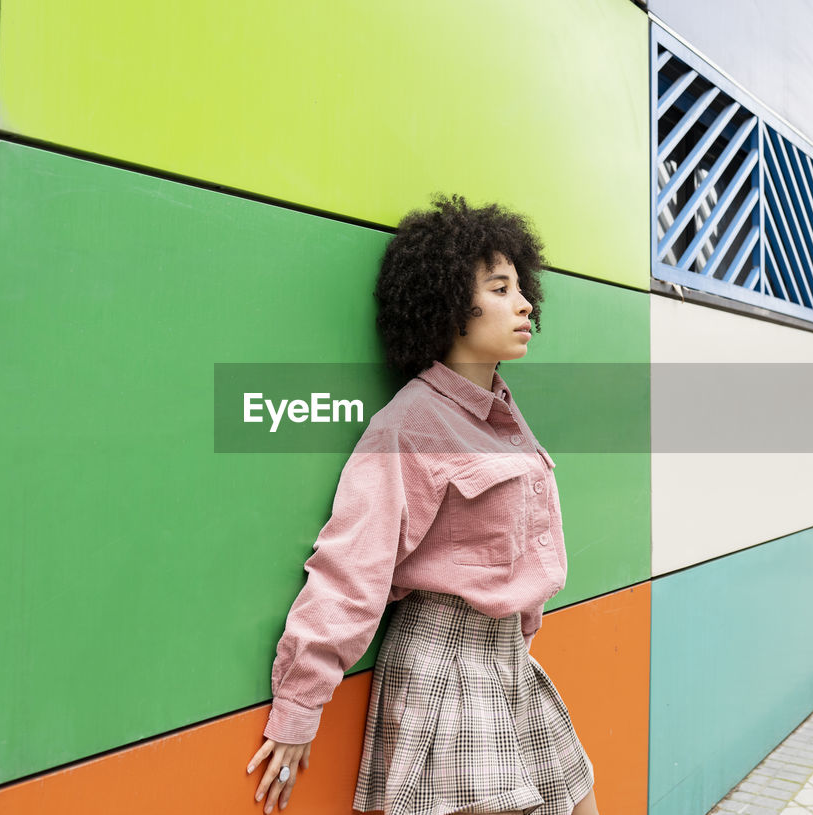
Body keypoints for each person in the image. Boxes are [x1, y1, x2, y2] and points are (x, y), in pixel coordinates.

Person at [245, 194, 598, 815]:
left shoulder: (502, 417)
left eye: (521, 288)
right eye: (498, 288)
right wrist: (299, 708)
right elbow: (352, 566)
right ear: (450, 307)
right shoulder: (411, 424)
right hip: (447, 670)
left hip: (509, 664)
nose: (524, 306)